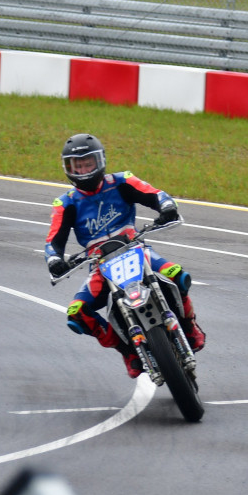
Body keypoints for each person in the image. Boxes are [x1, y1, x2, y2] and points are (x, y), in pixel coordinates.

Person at [45, 133, 206, 378]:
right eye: (78, 166)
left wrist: (166, 207)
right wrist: (55, 260)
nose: (84, 170)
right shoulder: (65, 203)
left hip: (136, 250)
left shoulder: (122, 181)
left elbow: (155, 194)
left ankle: (190, 326)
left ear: (100, 161)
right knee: (76, 313)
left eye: (88, 163)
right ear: (68, 168)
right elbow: (53, 241)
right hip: (100, 265)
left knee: (177, 275)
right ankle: (127, 351)